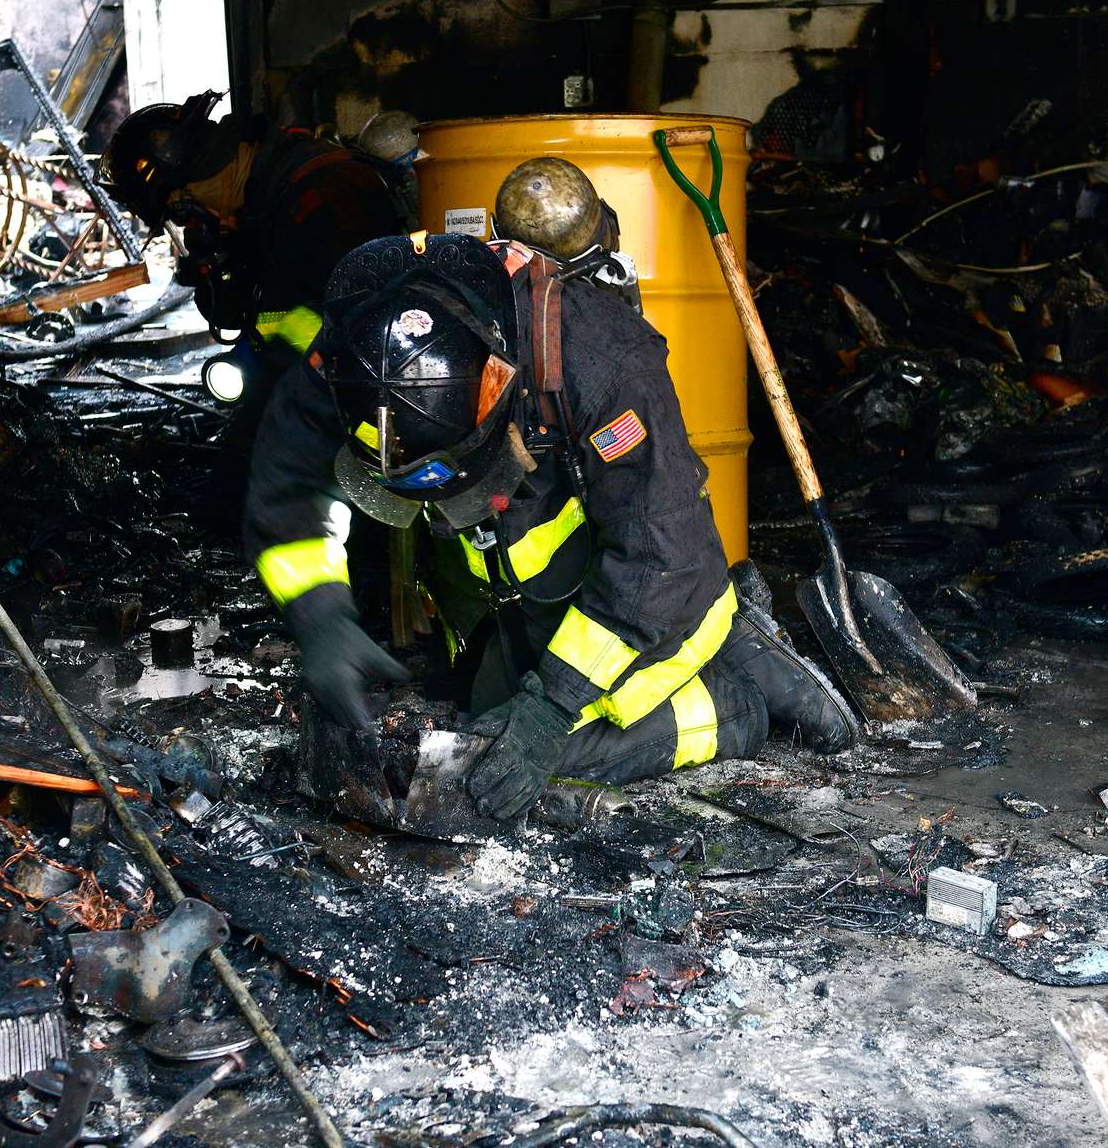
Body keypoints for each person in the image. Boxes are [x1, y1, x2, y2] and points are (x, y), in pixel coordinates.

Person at [244, 215, 858, 822]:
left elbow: (660, 553)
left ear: (497, 388)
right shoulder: (348, 360)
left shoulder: (599, 358)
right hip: (510, 594)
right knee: (483, 740)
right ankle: (695, 658)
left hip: (647, 594)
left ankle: (735, 702)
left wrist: (551, 708)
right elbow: (288, 484)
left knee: (537, 756)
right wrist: (320, 614)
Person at [99, 92, 402, 363]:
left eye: (185, 210)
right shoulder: (265, 197)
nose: (194, 223)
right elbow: (240, 314)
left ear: (199, 177)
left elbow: (345, 327)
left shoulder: (323, 194)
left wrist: (262, 360)